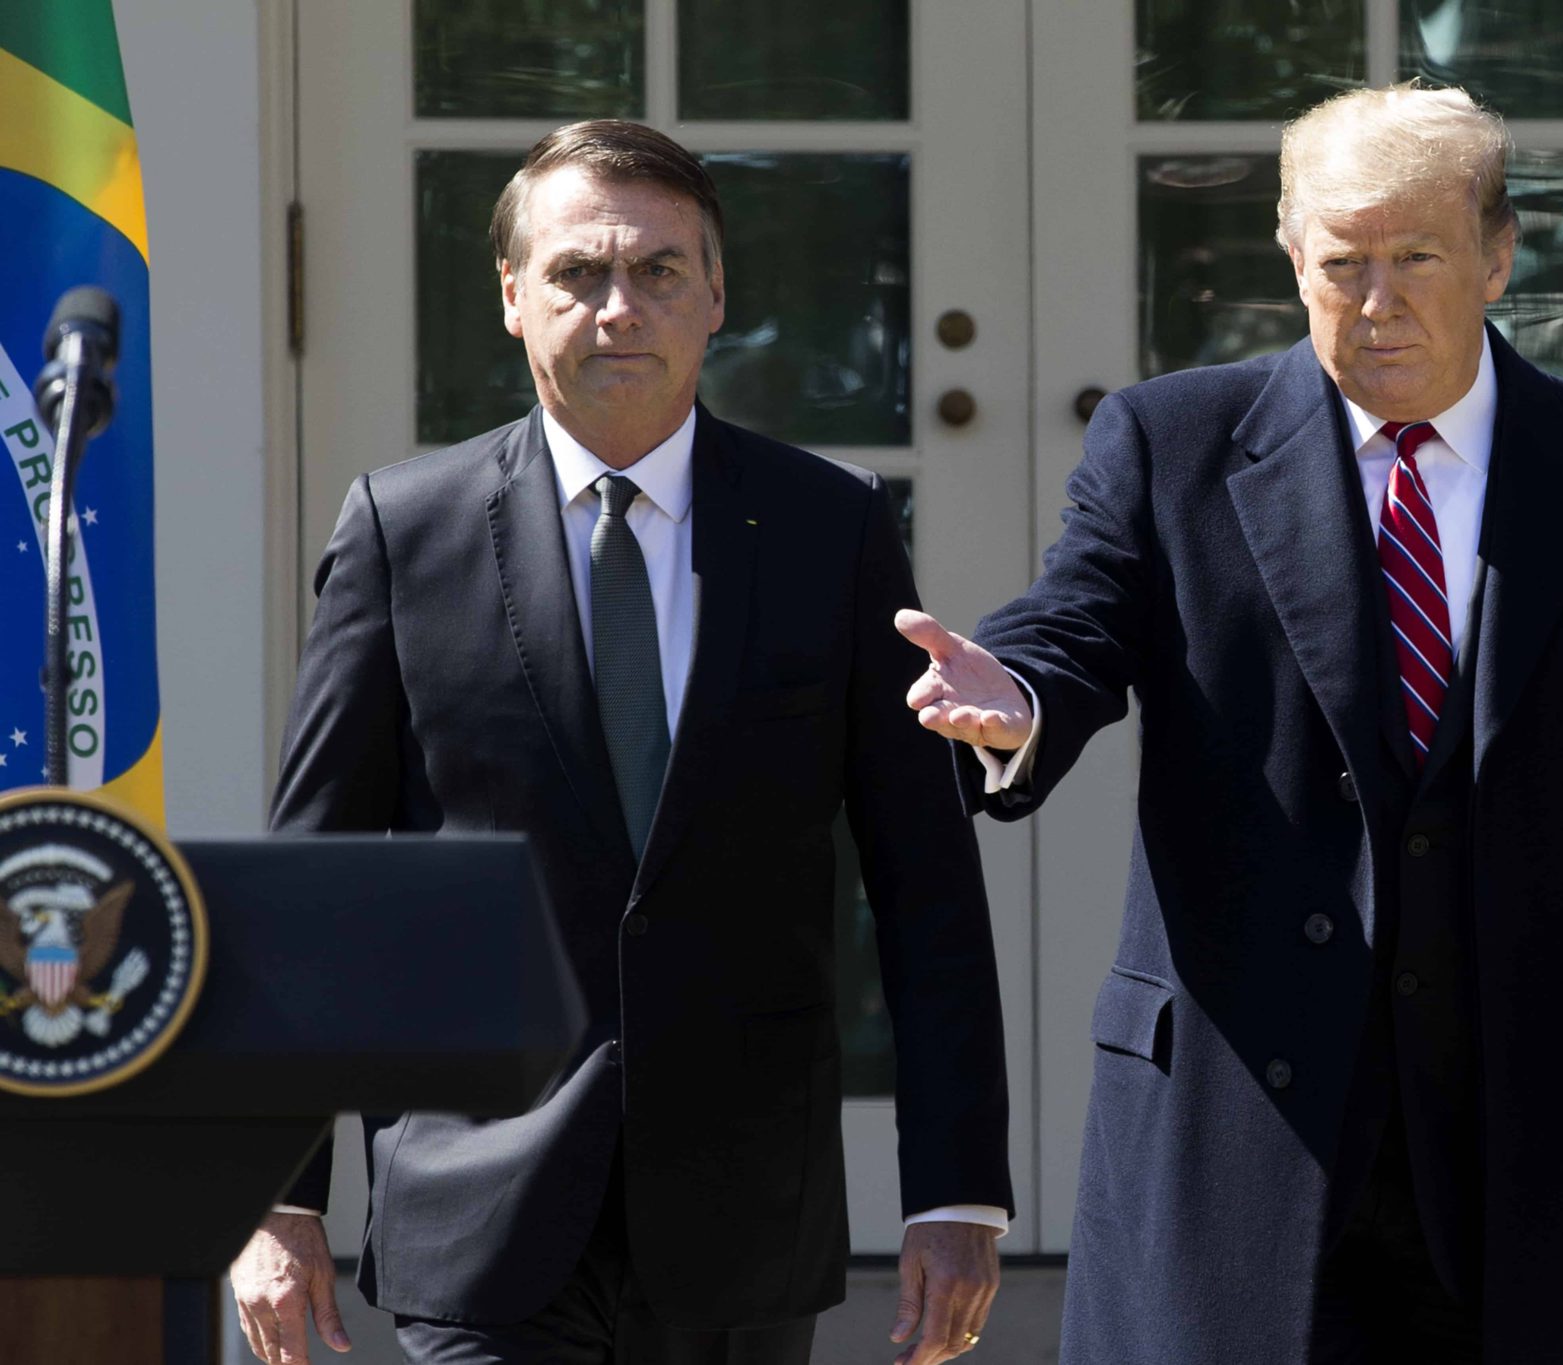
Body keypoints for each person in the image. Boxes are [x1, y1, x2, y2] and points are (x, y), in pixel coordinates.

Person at [897, 83, 1563, 1364]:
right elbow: (1076, 620)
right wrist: (1017, 696)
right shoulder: (1171, 442)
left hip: (1525, 1142)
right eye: (1342, 262)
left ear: (1497, 258)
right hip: (1233, 1135)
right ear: (1291, 254)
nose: (1377, 301)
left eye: (1417, 260)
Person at [230, 120, 1011, 1365]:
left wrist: (955, 1193)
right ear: (511, 297)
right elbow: (311, 883)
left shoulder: (830, 528)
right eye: (576, 273)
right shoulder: (401, 529)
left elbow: (925, 885)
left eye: (656, 270)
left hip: (743, 1207)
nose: (618, 308)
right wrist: (281, 1195)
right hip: (477, 1206)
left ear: (715, 296)